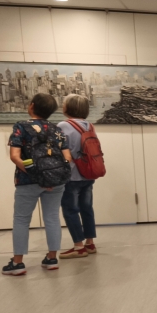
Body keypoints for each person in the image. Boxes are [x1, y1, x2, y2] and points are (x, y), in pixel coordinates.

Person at [4, 93, 71, 275]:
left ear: (32, 106)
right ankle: (52, 259)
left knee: (21, 219)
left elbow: (15, 156)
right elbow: (67, 157)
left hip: (28, 181)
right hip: (56, 181)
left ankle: (17, 263)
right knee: (52, 217)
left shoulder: (21, 127)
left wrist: (37, 175)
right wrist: (52, 176)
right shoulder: (57, 129)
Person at [57, 94, 97, 258]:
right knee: (87, 208)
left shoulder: (63, 125)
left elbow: (59, 149)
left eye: (64, 103)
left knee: (70, 210)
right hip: (88, 173)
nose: (62, 106)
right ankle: (90, 243)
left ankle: (78, 247)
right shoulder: (89, 125)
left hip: (71, 175)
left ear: (69, 107)